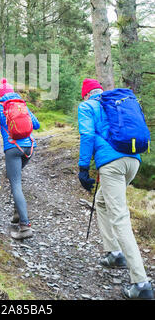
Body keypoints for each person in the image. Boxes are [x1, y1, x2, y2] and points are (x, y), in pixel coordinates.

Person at [78, 78, 154, 300]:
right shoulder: (116, 102)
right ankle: (113, 253)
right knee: (101, 202)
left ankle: (141, 283)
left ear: (85, 94)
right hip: (133, 161)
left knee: (120, 218)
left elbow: (87, 135)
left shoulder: (87, 106)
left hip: (112, 166)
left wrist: (83, 168)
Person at [0, 82, 40, 240]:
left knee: (15, 183)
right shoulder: (22, 105)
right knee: (15, 178)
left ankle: (25, 226)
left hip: (13, 148)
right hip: (30, 147)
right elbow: (36, 125)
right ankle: (17, 213)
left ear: (0, 95)